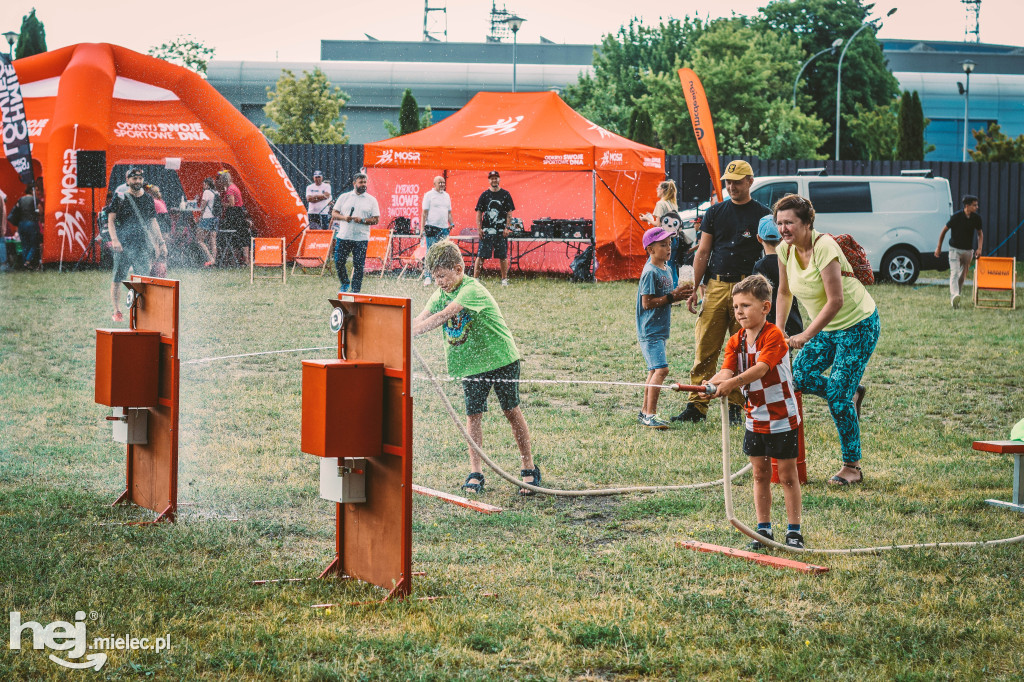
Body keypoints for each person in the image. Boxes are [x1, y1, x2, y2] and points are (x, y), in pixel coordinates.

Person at [413, 240, 539, 495]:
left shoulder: (472, 289)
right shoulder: (439, 293)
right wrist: (402, 330)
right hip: (471, 365)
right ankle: (476, 471)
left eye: (442, 276)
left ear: (459, 269)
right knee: (473, 417)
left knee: (511, 411)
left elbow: (443, 316)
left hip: (501, 359)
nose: (439, 282)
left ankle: (529, 466)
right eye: (435, 277)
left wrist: (407, 335)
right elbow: (421, 318)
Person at [774, 193, 877, 486]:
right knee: (800, 377)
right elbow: (783, 292)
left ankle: (852, 467)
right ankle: (851, 393)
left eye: (789, 222)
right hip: (828, 329)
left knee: (837, 397)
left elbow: (835, 300)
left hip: (858, 324)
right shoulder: (785, 250)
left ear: (807, 223)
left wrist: (806, 334)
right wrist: (778, 330)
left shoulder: (825, 247)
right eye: (780, 223)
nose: (783, 229)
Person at [706, 274, 804, 549]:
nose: (739, 312)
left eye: (746, 306)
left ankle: (794, 531)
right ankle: (764, 531)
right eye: (736, 306)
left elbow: (760, 369)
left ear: (765, 307)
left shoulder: (774, 336)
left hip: (782, 417)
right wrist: (709, 385)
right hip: (755, 417)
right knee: (759, 474)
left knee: (786, 476)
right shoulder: (735, 340)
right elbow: (727, 370)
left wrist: (730, 384)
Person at [675, 160, 769, 426]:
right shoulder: (715, 212)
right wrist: (696, 288)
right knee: (706, 345)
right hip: (716, 286)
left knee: (742, 349)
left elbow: (770, 251)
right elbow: (703, 252)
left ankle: (737, 406)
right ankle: (696, 406)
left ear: (750, 181)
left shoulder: (762, 215)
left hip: (747, 289)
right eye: (728, 181)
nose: (732, 186)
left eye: (737, 181)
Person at [636, 226, 694, 429]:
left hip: (659, 329)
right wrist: (672, 297)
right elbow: (647, 303)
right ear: (650, 250)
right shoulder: (650, 272)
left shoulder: (667, 269)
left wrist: (679, 294)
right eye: (663, 245)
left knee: (654, 370)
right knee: (661, 369)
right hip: (650, 329)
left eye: (669, 244)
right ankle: (650, 414)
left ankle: (644, 413)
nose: (668, 249)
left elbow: (669, 296)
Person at [107, 167, 166, 321]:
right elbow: (111, 220)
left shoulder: (147, 199)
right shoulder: (120, 198)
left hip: (142, 247)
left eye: (140, 178)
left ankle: (136, 310)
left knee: (142, 280)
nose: (137, 181)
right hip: (122, 246)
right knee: (117, 279)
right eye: (134, 178)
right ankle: (117, 311)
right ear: (128, 181)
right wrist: (114, 239)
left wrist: (161, 243)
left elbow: (153, 222)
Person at [753, 215, 804, 338]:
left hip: (768, 320)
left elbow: (756, 295)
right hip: (791, 318)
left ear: (759, 238)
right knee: (787, 353)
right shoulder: (790, 261)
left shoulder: (760, 266)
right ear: (782, 238)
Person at [331, 172, 380, 294]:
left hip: (361, 238)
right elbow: (334, 213)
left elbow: (376, 219)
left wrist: (362, 220)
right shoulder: (344, 197)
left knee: (358, 265)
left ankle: (355, 290)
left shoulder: (371, 200)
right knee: (338, 261)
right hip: (344, 236)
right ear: (354, 183)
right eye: (361, 182)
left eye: (365, 182)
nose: (363, 185)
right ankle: (345, 283)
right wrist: (344, 218)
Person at [935, 194, 983, 309]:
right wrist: (939, 247)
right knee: (954, 273)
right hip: (954, 250)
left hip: (968, 251)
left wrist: (979, 248)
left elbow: (980, 234)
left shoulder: (976, 218)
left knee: (962, 275)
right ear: (967, 206)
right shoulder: (956, 217)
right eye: (974, 205)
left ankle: (957, 296)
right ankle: (954, 296)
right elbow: (943, 231)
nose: (977, 207)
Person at [474, 170, 515, 286]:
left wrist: (507, 227)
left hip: (501, 232)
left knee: (502, 256)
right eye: (492, 178)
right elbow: (479, 212)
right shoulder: (484, 195)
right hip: (486, 231)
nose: (494, 180)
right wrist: (479, 228)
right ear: (489, 180)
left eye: (496, 178)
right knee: (481, 255)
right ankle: (475, 279)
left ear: (499, 179)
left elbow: (509, 213)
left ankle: (504, 279)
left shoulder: (505, 194)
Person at [641, 179, 683, 285]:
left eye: (658, 188)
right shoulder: (673, 204)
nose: (657, 190)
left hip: (663, 241)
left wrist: (647, 219)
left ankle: (652, 286)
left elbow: (658, 225)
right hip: (674, 239)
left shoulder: (661, 204)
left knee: (651, 263)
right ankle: (675, 291)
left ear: (663, 190)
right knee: (672, 266)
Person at [421, 175, 453, 286]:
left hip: (444, 228)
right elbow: (424, 213)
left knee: (443, 253)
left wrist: (451, 223)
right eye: (439, 183)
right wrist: (422, 228)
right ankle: (427, 276)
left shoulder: (447, 196)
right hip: (431, 227)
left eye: (443, 182)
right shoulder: (429, 195)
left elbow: (449, 212)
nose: (442, 185)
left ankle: (439, 277)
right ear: (434, 184)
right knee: (430, 252)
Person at [217, 171, 250, 265]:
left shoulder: (230, 190)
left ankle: (232, 260)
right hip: (238, 213)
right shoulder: (234, 187)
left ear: (224, 180)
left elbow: (231, 204)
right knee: (242, 236)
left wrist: (222, 204)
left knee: (233, 236)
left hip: (234, 214)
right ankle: (243, 260)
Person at [10, 184, 43, 270]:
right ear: (31, 190)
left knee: (25, 245)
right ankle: (27, 262)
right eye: (36, 190)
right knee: (34, 244)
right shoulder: (35, 200)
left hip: (21, 224)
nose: (37, 192)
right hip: (31, 224)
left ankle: (26, 264)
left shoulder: (21, 199)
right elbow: (40, 211)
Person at [196, 177, 220, 267]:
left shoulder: (206, 192)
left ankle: (210, 259)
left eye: (204, 184)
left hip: (206, 218)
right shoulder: (216, 192)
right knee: (213, 240)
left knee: (199, 240)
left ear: (207, 184)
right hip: (215, 218)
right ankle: (214, 261)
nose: (203, 185)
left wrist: (199, 217)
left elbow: (202, 206)